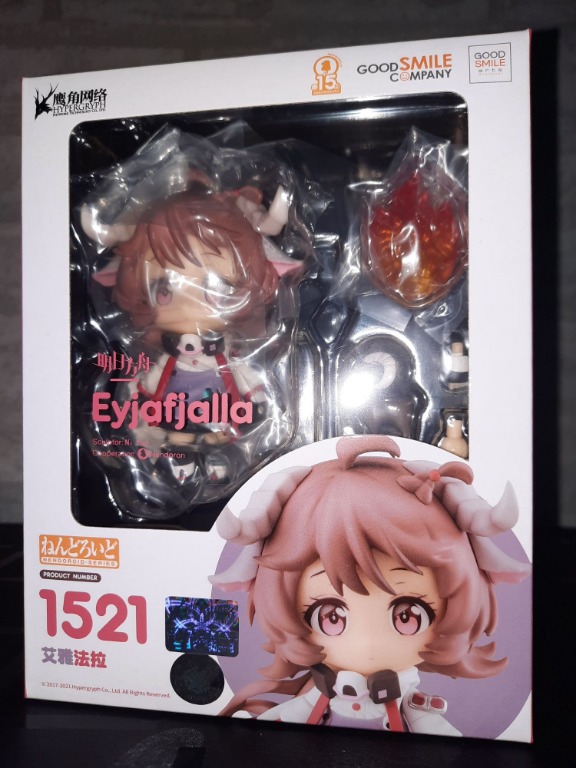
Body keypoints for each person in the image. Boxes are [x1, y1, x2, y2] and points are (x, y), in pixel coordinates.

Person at [210, 434, 530, 734]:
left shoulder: (412, 702)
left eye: (407, 615)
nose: (367, 644)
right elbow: (290, 716)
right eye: (331, 617)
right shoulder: (318, 692)